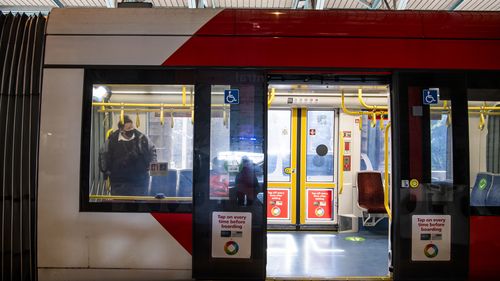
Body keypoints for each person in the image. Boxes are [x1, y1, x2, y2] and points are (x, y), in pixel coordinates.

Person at [99, 115, 157, 196]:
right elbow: (103, 155)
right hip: (118, 183)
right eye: (128, 129)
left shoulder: (142, 139)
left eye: (132, 127)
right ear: (121, 130)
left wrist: (153, 166)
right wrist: (106, 171)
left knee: (139, 207)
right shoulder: (111, 140)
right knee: (120, 207)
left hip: (139, 182)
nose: (131, 130)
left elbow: (152, 151)